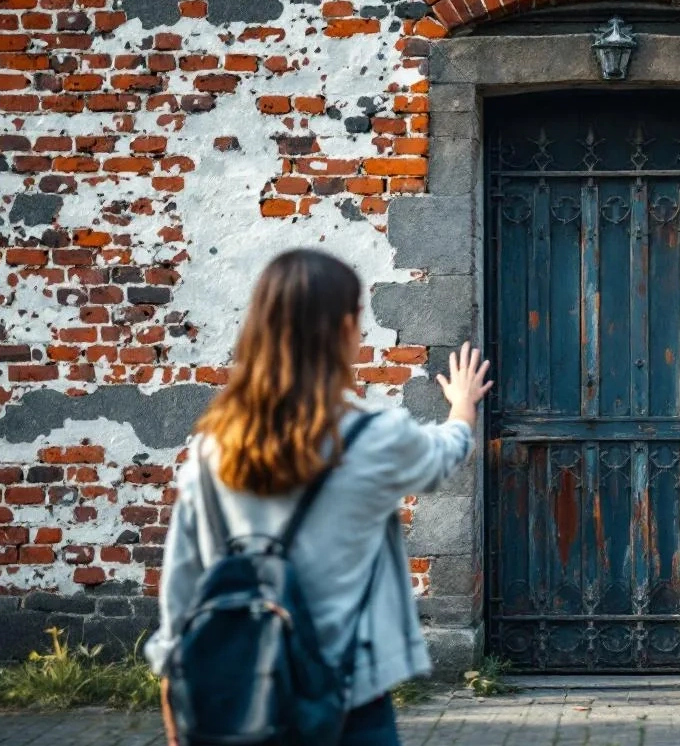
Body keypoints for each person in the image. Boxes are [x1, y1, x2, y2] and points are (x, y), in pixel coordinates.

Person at [144, 249, 492, 746]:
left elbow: (182, 583)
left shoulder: (209, 450)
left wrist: (175, 683)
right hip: (351, 697)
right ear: (346, 329)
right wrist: (462, 405)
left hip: (238, 697)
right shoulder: (374, 437)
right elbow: (445, 454)